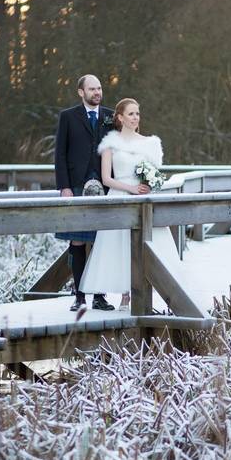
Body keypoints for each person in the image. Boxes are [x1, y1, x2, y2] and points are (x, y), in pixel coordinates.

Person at [79, 98, 179, 311]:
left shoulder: (149, 143)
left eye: (137, 113)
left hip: (143, 198)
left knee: (145, 243)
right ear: (120, 117)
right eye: (131, 114)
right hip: (119, 196)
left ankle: (146, 292)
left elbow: (155, 175)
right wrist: (130, 188)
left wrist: (148, 185)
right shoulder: (110, 144)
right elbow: (106, 178)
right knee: (120, 245)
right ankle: (125, 295)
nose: (135, 118)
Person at [53, 74, 116, 311]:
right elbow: (60, 154)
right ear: (81, 92)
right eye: (92, 89)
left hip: (105, 186)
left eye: (99, 88)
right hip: (76, 185)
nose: (97, 92)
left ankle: (100, 296)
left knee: (102, 241)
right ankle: (79, 297)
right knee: (77, 241)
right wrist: (64, 186)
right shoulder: (68, 117)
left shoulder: (111, 116)